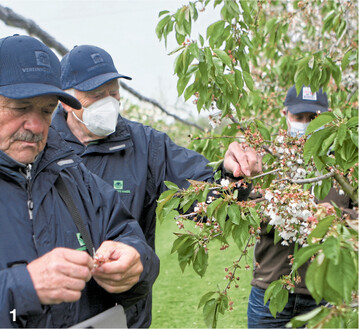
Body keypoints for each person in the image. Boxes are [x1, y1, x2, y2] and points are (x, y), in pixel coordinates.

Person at [51, 44, 262, 328]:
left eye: (114, 93)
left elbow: (206, 200)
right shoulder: (42, 147)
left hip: (125, 315)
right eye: (96, 95)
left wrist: (232, 175)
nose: (108, 103)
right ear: (66, 101)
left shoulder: (146, 145)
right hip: (56, 314)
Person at [0, 35, 159, 328]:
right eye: (21, 107)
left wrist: (135, 263)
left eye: (46, 110)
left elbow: (128, 235)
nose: (36, 125)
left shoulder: (72, 175)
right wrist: (21, 287)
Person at [247, 85, 354, 328]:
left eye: (314, 118)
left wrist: (332, 218)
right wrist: (284, 207)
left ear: (327, 118)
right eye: (299, 117)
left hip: (325, 296)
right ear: (285, 114)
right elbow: (248, 212)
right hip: (270, 292)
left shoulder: (345, 167)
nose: (306, 124)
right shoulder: (267, 162)